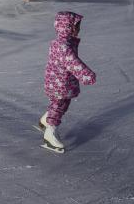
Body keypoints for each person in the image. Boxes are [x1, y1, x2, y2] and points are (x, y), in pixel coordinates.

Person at [37, 11, 96, 153]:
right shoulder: (63, 45)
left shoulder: (65, 42)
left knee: (62, 104)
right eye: (76, 26)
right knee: (58, 105)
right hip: (58, 83)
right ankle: (49, 133)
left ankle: (46, 119)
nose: (78, 29)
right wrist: (87, 75)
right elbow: (73, 63)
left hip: (62, 81)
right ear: (68, 27)